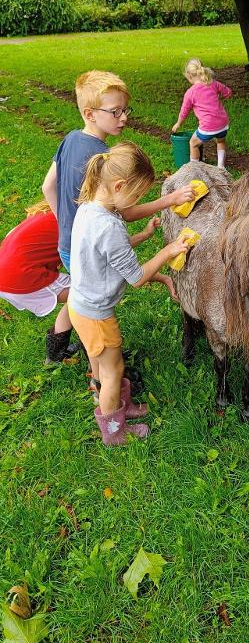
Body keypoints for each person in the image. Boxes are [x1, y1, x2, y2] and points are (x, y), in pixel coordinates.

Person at [41, 69, 193, 360]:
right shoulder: (101, 157)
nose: (124, 117)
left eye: (125, 110)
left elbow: (48, 185)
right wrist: (171, 199)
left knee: (78, 297)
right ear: (90, 113)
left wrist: (66, 223)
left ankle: (56, 351)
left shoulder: (71, 138)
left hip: (69, 242)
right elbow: (128, 212)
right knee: (92, 305)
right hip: (88, 245)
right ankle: (99, 367)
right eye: (115, 111)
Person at [68, 141, 190, 446]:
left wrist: (144, 235)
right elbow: (136, 277)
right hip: (96, 314)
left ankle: (118, 409)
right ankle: (113, 432)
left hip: (79, 306)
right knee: (113, 370)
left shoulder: (88, 208)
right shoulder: (109, 226)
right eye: (136, 195)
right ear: (120, 186)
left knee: (100, 367)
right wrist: (168, 250)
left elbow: (107, 254)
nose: (137, 201)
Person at [0, 200, 75, 364]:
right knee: (87, 295)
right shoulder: (73, 220)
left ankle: (56, 354)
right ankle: (97, 351)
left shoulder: (44, 213)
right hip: (20, 275)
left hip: (6, 273)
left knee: (78, 298)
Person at [171, 58, 232, 169]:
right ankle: (221, 167)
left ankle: (194, 169)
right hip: (223, 124)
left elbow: (184, 111)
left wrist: (178, 124)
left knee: (193, 143)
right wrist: (221, 96)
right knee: (221, 141)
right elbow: (228, 92)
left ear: (189, 75)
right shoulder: (213, 83)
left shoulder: (190, 93)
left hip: (208, 126)